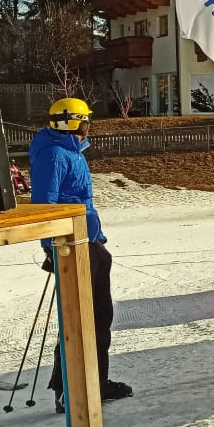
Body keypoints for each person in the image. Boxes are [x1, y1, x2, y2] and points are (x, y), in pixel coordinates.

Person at [30, 98, 132, 410]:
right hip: (71, 245)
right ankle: (68, 388)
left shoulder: (72, 151)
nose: (88, 125)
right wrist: (51, 246)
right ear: (71, 121)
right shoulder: (53, 154)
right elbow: (45, 204)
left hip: (89, 241)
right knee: (79, 319)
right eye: (84, 119)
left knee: (99, 317)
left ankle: (95, 381)